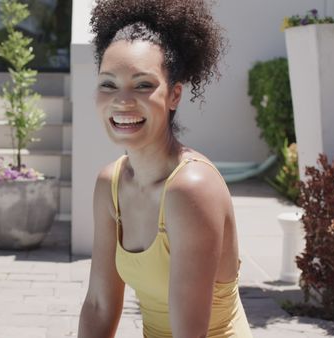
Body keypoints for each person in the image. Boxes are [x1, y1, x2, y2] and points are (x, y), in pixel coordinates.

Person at [77, 0, 253, 337]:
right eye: (108, 84)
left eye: (143, 85)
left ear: (174, 95)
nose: (122, 100)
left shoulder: (191, 189)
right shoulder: (109, 185)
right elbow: (99, 304)